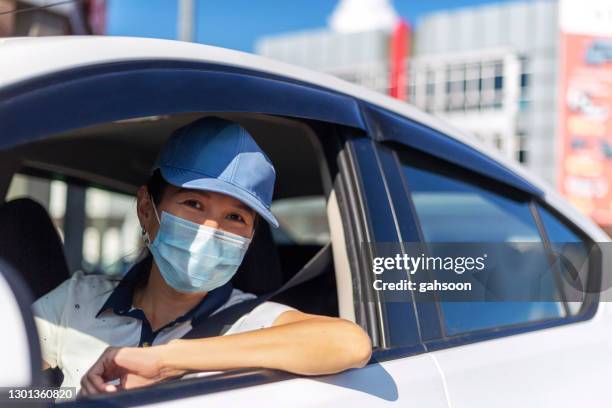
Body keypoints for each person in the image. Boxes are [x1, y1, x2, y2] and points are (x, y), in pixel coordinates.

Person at [32, 117, 372, 397]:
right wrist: (65, 395)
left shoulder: (253, 322)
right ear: (146, 209)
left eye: (235, 218)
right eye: (194, 204)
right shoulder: (76, 300)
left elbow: (350, 343)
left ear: (250, 239)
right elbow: (14, 394)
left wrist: (168, 360)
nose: (211, 229)